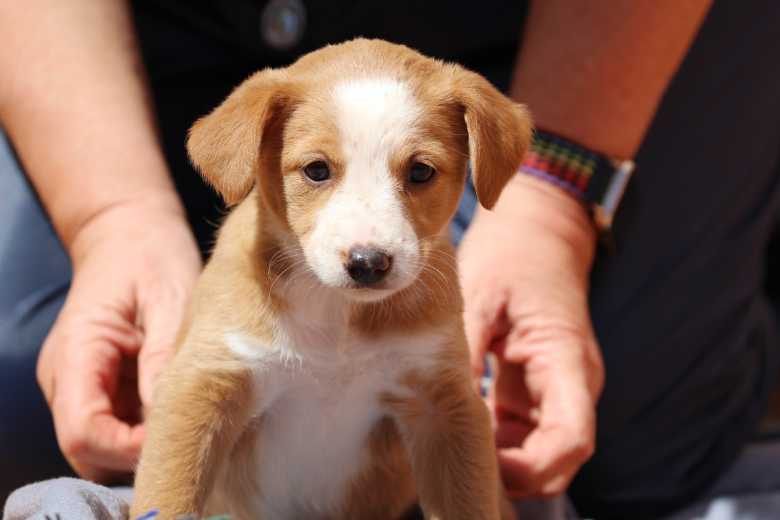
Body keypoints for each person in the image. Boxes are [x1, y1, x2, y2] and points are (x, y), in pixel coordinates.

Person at [1, 1, 780, 518]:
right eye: (317, 171)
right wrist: (112, 218)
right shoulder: (246, 258)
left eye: (419, 174)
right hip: (157, 43)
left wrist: (552, 209)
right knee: (29, 397)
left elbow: (448, 420)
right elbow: (192, 409)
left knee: (632, 444)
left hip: (533, 36)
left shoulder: (436, 232)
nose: (370, 240)